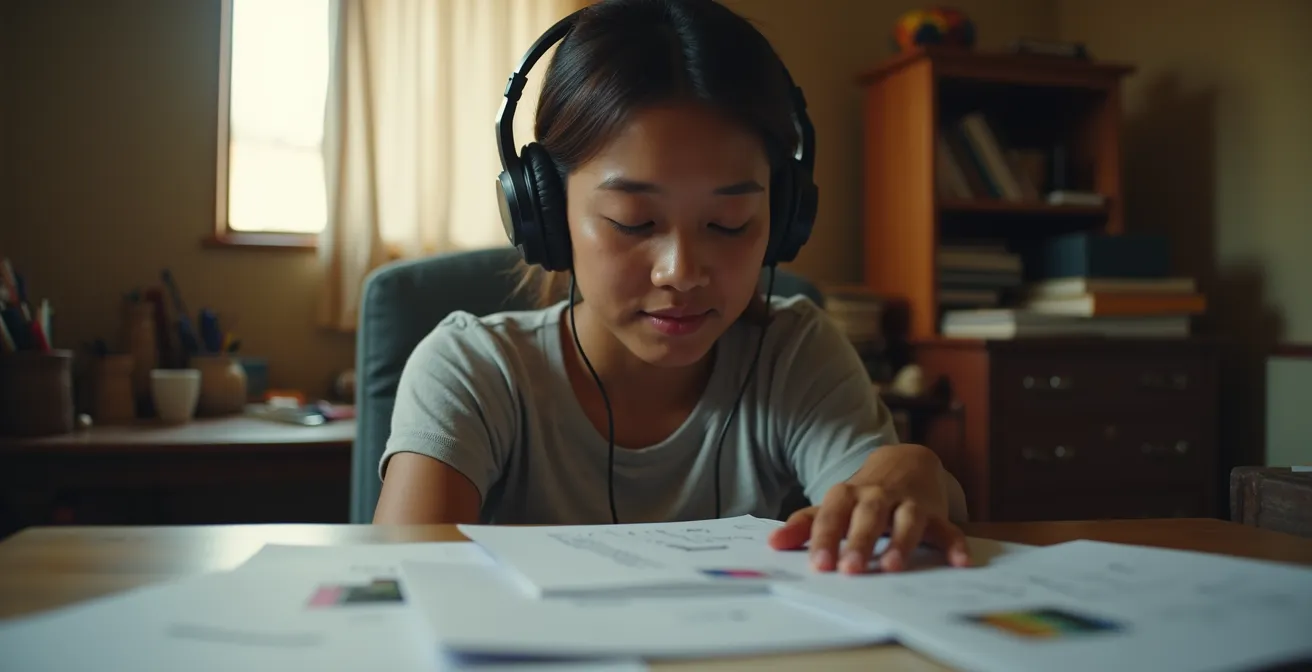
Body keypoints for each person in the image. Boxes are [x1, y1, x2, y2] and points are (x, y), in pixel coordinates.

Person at [373, 0, 970, 575]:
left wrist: (909, 471)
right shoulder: (474, 370)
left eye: (729, 225)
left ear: (784, 218)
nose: (681, 272)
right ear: (546, 213)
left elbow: (886, 525)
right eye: (634, 220)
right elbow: (404, 588)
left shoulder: (795, 356)